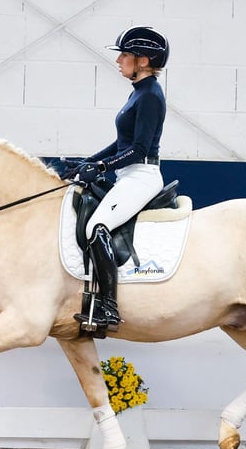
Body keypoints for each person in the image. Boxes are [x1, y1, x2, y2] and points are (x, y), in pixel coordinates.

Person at [69, 25, 170, 333]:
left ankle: (108, 307)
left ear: (143, 60)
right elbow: (121, 145)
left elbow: (138, 150)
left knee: (96, 227)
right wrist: (90, 162)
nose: (118, 61)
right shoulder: (138, 92)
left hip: (142, 175)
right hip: (129, 173)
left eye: (125, 55)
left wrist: (101, 168)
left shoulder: (150, 95)